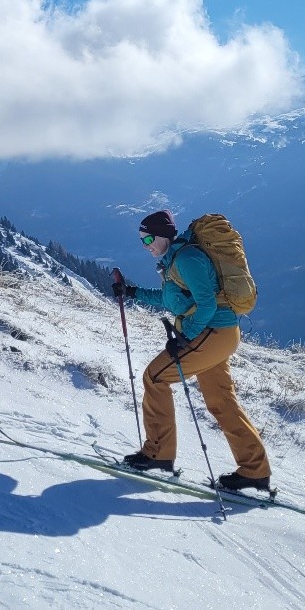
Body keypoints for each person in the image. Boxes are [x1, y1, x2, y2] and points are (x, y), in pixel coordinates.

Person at [115, 209, 272, 492]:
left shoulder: (187, 259)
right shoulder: (176, 260)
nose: (146, 244)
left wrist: (184, 338)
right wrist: (133, 292)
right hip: (218, 334)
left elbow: (207, 304)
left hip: (212, 332)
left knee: (155, 377)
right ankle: (254, 470)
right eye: (142, 240)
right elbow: (172, 299)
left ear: (164, 234)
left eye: (149, 237)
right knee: (221, 400)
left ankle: (158, 454)